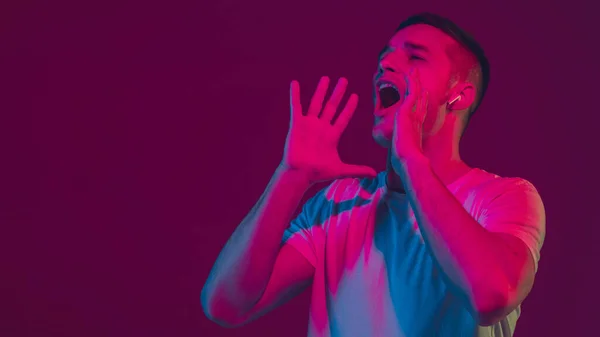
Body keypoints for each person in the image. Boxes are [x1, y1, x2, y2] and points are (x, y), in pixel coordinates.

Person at [201, 12, 546, 337]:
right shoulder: (340, 203)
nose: (385, 64)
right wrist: (289, 176)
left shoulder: (504, 197)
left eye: (415, 57)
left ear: (457, 96)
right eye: (385, 56)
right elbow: (225, 305)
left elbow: (492, 295)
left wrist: (410, 160)